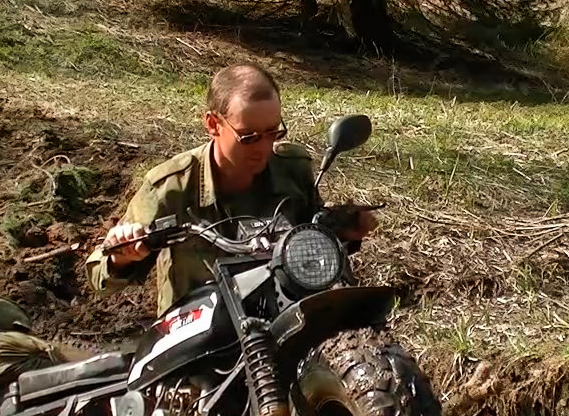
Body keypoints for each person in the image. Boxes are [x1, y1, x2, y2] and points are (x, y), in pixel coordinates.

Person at [85, 64, 377, 314]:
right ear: (213, 124)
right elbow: (99, 275)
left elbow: (312, 242)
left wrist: (343, 231)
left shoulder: (293, 168)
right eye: (248, 137)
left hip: (280, 320)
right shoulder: (170, 188)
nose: (264, 149)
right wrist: (121, 256)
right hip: (198, 334)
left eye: (273, 132)